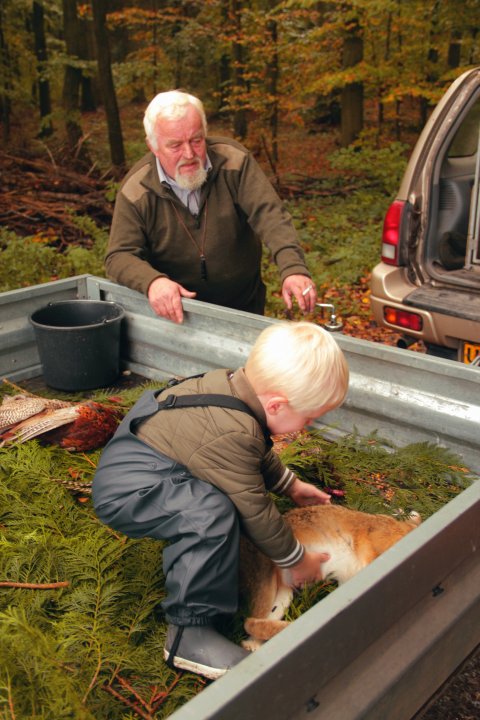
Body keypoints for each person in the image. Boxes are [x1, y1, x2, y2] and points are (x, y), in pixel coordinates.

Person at [92, 321, 349, 680]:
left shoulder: (234, 391)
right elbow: (254, 508)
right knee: (212, 515)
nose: (306, 427)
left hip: (154, 460)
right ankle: (188, 634)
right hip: (130, 489)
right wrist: (296, 559)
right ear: (276, 405)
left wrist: (291, 485)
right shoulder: (233, 429)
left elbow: (251, 452)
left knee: (216, 499)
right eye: (309, 419)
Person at [105, 90, 318, 323]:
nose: (189, 154)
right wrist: (153, 282)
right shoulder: (136, 191)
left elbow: (270, 215)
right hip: (177, 315)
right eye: (175, 145)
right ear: (153, 146)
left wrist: (293, 268)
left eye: (196, 140)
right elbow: (119, 255)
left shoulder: (234, 162)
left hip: (243, 307)